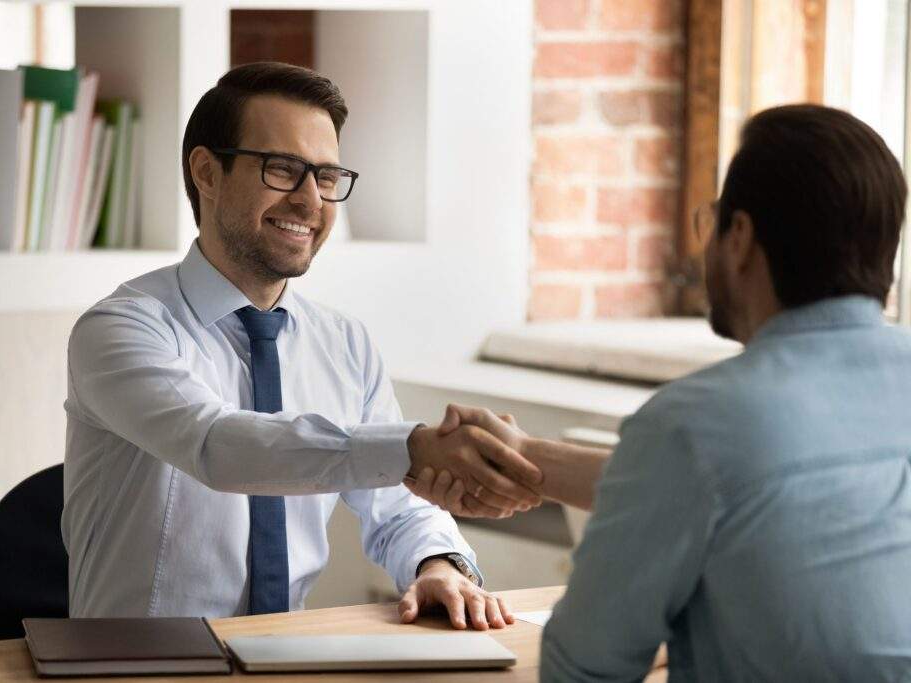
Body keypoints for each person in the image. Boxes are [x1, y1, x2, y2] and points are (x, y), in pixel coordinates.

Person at [409, 104, 911, 680]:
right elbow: (736, 483)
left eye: (711, 221)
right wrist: (528, 456)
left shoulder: (697, 421)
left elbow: (583, 669)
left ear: (740, 238)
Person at [60, 62, 544, 630]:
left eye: (327, 176)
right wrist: (415, 448)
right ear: (207, 173)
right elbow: (219, 446)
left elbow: (395, 502)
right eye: (284, 170)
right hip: (132, 666)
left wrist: (437, 564)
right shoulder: (121, 329)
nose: (311, 201)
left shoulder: (344, 344)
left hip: (286, 658)